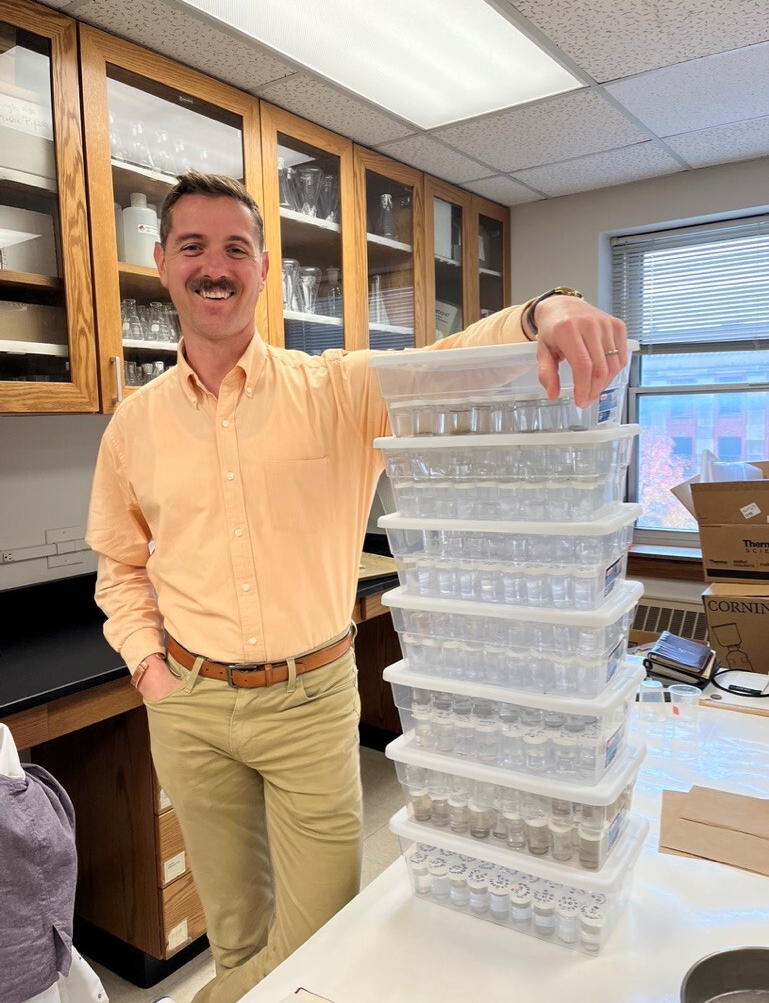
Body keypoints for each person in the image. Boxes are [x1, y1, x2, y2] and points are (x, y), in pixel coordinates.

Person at [86, 171, 627, 1003]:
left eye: (235, 248)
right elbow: (120, 564)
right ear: (161, 264)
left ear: (264, 269)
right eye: (192, 247)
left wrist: (543, 312)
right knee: (232, 928)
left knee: (322, 937)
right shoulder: (135, 422)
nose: (214, 267)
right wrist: (148, 668)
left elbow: (446, 364)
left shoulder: (334, 389)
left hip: (308, 700)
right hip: (188, 702)